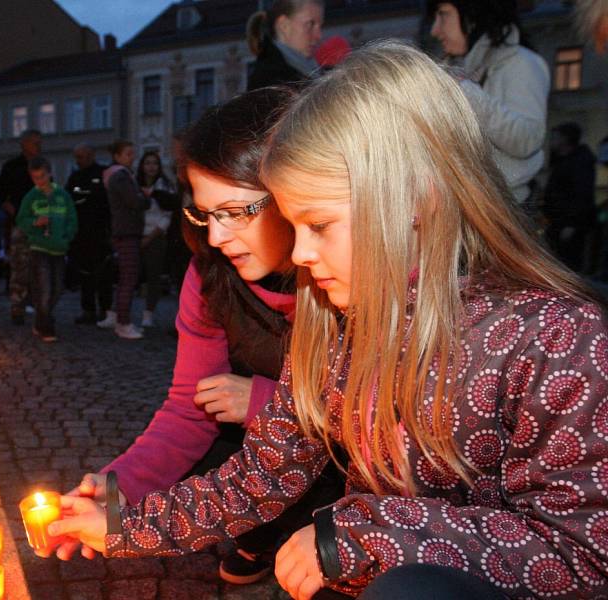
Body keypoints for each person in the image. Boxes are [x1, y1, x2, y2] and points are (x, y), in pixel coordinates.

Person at [49, 42, 608, 600]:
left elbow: (585, 557)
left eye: (319, 224)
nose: (299, 255)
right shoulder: (335, 326)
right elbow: (257, 477)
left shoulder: (555, 340)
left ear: (419, 200)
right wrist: (122, 523)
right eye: (294, 226)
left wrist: (369, 533)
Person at [60, 87, 344, 585]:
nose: (214, 236)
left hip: (355, 473)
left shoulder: (346, 284)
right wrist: (115, 493)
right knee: (209, 440)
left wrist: (261, 401)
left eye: (234, 212)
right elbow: (186, 412)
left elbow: (379, 431)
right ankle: (259, 532)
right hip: (283, 448)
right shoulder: (213, 272)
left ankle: (283, 526)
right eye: (206, 213)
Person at [429, 0, 550, 206]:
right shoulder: (464, 68)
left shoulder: (521, 63)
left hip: (508, 213)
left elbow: (528, 139)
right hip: (480, 209)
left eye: (443, 14)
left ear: (473, 15)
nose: (435, 30)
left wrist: (467, 92)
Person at [16, 157, 78, 342]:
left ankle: (41, 318)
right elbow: (21, 220)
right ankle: (46, 326)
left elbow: (72, 219)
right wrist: (35, 222)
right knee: (44, 288)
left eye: (42, 176)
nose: (40, 181)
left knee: (57, 288)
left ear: (49, 173)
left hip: (59, 249)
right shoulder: (31, 197)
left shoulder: (63, 196)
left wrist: (66, 237)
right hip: (39, 248)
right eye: (35, 178)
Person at [99, 140, 150, 340]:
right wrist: (145, 198)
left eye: (132, 153)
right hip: (127, 231)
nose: (133, 157)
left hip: (124, 230)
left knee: (124, 278)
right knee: (129, 278)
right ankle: (123, 323)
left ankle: (116, 316)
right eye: (128, 154)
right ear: (118, 157)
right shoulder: (120, 176)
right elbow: (135, 201)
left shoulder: (119, 175)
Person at [64, 144, 113, 325]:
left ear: (91, 154)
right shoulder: (74, 176)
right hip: (81, 234)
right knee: (85, 274)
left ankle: (105, 309)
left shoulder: (103, 173)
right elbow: (71, 199)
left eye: (82, 156)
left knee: (103, 273)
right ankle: (88, 310)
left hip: (100, 232)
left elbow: (104, 200)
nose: (79, 161)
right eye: (77, 157)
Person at [0, 129, 41, 325]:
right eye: (34, 142)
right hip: (19, 224)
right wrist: (10, 208)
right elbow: (0, 195)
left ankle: (36, 303)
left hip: (40, 226)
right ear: (24, 144)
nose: (38, 146)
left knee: (38, 266)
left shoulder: (42, 166)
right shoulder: (11, 167)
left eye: (39, 142)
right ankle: (17, 306)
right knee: (19, 266)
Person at [543, 122, 597, 272]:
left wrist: (572, 224)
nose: (551, 141)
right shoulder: (562, 160)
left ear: (564, 139)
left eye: (555, 137)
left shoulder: (580, 162)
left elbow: (582, 194)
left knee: (569, 265)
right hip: (559, 223)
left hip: (570, 225)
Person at [136, 151, 178, 328]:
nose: (151, 167)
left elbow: (167, 216)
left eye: (154, 163)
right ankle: (120, 312)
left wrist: (151, 236)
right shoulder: (134, 184)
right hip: (136, 235)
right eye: (147, 163)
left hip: (156, 237)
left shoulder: (165, 186)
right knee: (131, 275)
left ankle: (148, 313)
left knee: (153, 277)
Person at [246, 0, 324, 90]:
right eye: (310, 24)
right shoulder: (270, 84)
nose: (319, 36)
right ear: (284, 26)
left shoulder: (310, 70)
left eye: (320, 26)